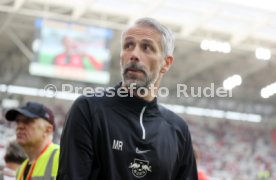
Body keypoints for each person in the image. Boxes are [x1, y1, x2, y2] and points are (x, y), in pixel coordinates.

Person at [58, 17, 198, 180]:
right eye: (128, 46)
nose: (134, 54)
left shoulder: (178, 129)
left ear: (166, 63)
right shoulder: (89, 109)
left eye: (146, 47)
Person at [5, 102, 60, 180]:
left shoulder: (61, 157)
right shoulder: (21, 169)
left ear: (48, 130)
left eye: (28, 121)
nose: (19, 126)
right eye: (18, 121)